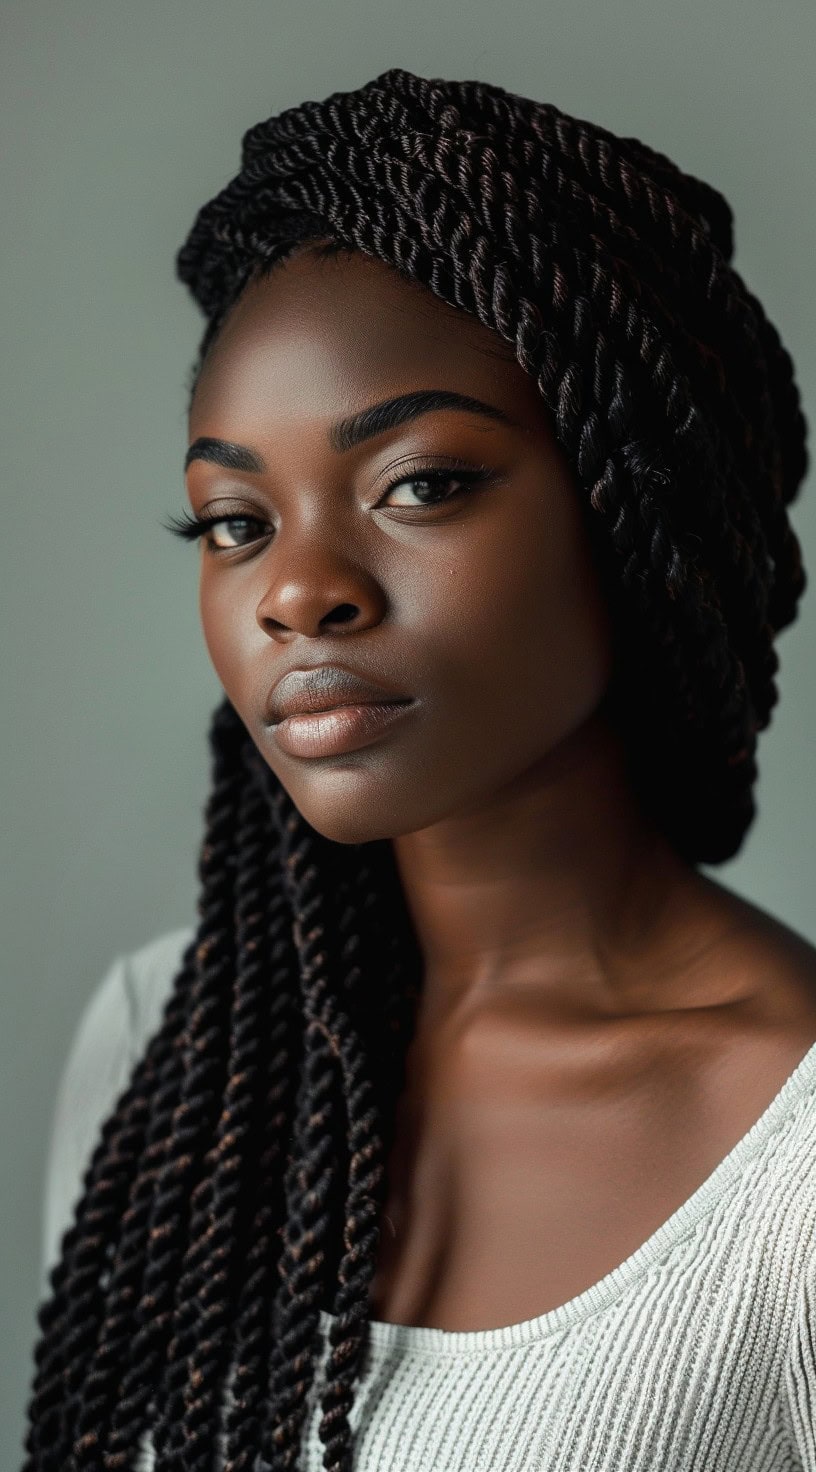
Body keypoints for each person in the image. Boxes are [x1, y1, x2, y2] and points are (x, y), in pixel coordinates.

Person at [20, 65, 816, 1472]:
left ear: (637, 517)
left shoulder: (792, 1166)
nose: (297, 592)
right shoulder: (166, 1047)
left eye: (422, 485)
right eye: (232, 521)